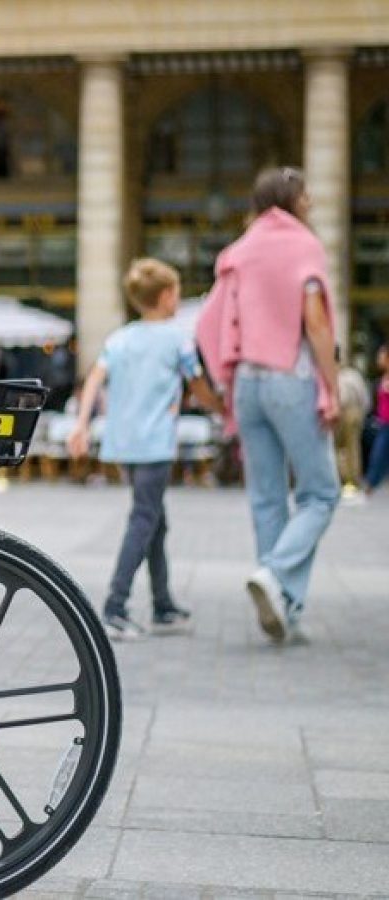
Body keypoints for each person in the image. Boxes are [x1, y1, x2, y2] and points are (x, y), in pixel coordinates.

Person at [195, 167, 341, 644]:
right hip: (290, 378)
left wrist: (223, 383)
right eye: (306, 195)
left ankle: (285, 610)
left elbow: (208, 322)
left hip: (246, 384)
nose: (311, 202)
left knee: (266, 497)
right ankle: (276, 575)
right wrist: (332, 386)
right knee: (321, 494)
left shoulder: (239, 250)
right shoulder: (303, 245)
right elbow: (315, 322)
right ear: (291, 199)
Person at [69, 258, 223, 640]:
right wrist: (224, 409)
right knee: (144, 518)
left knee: (155, 519)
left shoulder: (120, 339)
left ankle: (163, 605)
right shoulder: (178, 339)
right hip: (155, 443)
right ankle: (115, 607)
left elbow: (93, 379)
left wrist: (82, 424)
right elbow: (198, 386)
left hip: (125, 444)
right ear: (167, 295)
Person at [336, 355, 370, 504]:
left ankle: (348, 481)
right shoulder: (353, 375)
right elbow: (365, 397)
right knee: (352, 448)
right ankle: (351, 481)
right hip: (355, 411)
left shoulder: (339, 375)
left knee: (343, 448)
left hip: (344, 412)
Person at [366, 343, 389, 494]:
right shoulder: (382, 378)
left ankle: (370, 485)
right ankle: (370, 485)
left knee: (379, 453)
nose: (378, 359)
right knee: (378, 454)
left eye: (381, 356)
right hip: (383, 423)